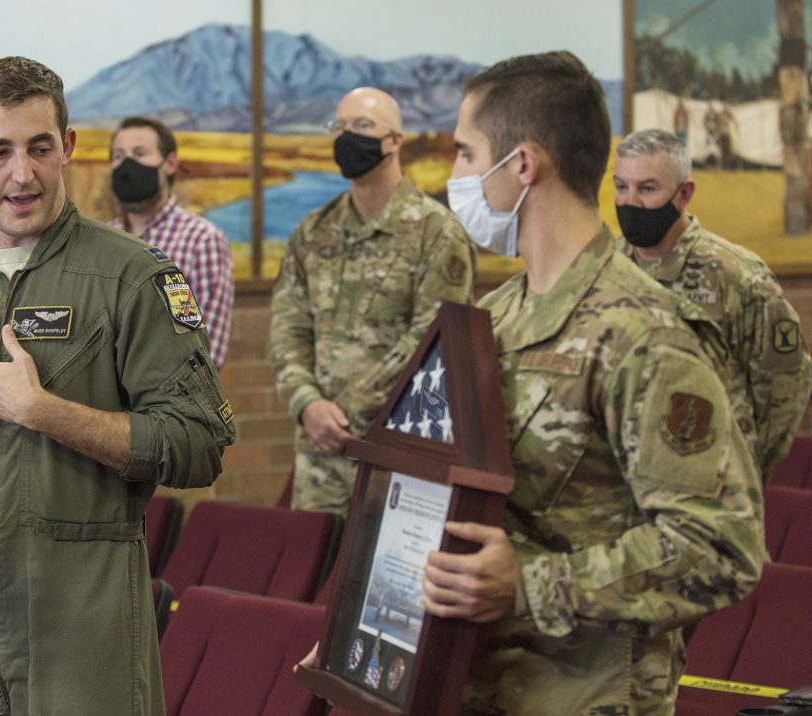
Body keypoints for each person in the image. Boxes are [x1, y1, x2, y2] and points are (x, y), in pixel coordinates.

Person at [0, 57, 235, 715]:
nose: (22, 174)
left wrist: (42, 410)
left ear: (68, 147)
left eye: (39, 148)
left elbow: (198, 442)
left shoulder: (135, 279)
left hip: (83, 626)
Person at [420, 52, 765, 714]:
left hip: (584, 695)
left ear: (522, 164)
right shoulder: (494, 317)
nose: (454, 177)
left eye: (466, 154)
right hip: (478, 684)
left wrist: (529, 585)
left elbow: (721, 545)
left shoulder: (643, 334)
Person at [270, 87, 476, 516]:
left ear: (395, 140)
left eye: (362, 127)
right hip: (321, 458)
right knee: (314, 576)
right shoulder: (313, 232)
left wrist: (347, 410)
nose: (349, 137)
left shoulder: (435, 232)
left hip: (399, 452)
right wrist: (306, 402)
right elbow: (288, 328)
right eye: (340, 127)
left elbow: (434, 339)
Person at [613, 128, 811, 481]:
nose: (630, 202)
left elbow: (785, 386)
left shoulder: (736, 275)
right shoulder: (608, 267)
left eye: (647, 189)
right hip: (625, 478)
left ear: (683, 194)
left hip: (714, 480)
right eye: (620, 186)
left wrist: (745, 466)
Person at [108, 115, 234, 368]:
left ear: (170, 163)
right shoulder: (104, 240)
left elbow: (206, 353)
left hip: (167, 402)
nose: (127, 165)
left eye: (140, 153)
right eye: (119, 156)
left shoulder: (201, 240)